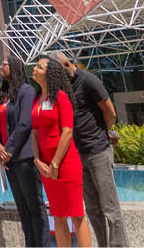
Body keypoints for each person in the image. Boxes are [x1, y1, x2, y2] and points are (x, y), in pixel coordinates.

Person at [51, 53, 125, 247]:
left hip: (98, 150)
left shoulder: (88, 80)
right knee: (92, 208)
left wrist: (105, 132)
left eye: (59, 72)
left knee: (110, 207)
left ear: (67, 64)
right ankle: (102, 244)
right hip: (79, 154)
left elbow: (110, 111)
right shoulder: (65, 88)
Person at [30, 57, 89, 248]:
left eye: (39, 67)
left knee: (77, 215)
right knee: (58, 215)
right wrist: (37, 160)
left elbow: (67, 131)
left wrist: (55, 162)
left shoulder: (61, 97)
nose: (35, 69)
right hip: (46, 166)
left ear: (49, 73)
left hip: (64, 163)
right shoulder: (37, 99)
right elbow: (35, 132)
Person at [0, 54, 48, 247]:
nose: (1, 66)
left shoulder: (27, 91)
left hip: (24, 158)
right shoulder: (2, 95)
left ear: (15, 67)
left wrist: (8, 150)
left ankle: (42, 244)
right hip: (8, 161)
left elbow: (25, 124)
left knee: (35, 205)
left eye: (4, 64)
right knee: (23, 208)